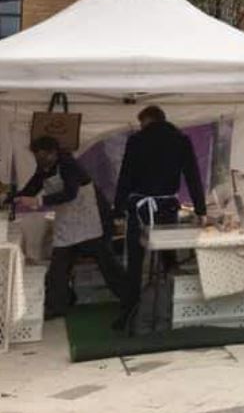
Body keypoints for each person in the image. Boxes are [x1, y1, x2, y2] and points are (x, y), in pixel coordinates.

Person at [11, 136, 128, 319]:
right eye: (36, 155)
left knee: (107, 262)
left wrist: (39, 201)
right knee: (59, 265)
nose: (39, 159)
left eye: (42, 155)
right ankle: (57, 305)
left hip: (90, 219)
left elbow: (70, 193)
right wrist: (13, 198)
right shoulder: (45, 167)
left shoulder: (68, 164)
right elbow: (33, 186)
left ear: (53, 152)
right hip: (67, 221)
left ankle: (129, 297)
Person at [114, 105, 207, 326]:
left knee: (135, 262)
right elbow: (193, 176)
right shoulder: (180, 140)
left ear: (147, 120)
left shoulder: (136, 141)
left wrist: (118, 209)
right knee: (167, 259)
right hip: (166, 208)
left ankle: (130, 311)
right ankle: (169, 307)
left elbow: (125, 176)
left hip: (140, 207)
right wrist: (201, 209)